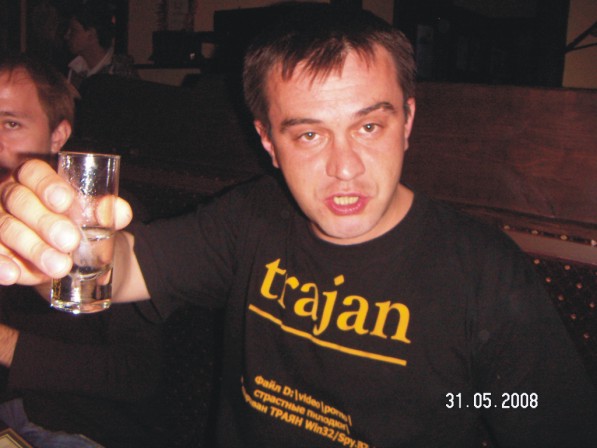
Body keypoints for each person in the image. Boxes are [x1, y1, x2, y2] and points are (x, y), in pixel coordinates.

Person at [0, 4, 596, 447]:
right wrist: (48, 247)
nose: (344, 167)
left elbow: (542, 413)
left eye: (369, 126)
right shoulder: (252, 218)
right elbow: (124, 268)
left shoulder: (483, 271)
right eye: (309, 134)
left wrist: (456, 400)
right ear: (268, 142)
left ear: (408, 121)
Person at [0, 53, 162, 448]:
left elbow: (136, 375)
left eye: (10, 123)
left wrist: (6, 345)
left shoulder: (108, 220)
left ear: (58, 136)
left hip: (75, 429)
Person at [64, 0, 138, 90]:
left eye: (74, 31)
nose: (66, 36)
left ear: (92, 35)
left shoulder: (119, 72)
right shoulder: (75, 70)